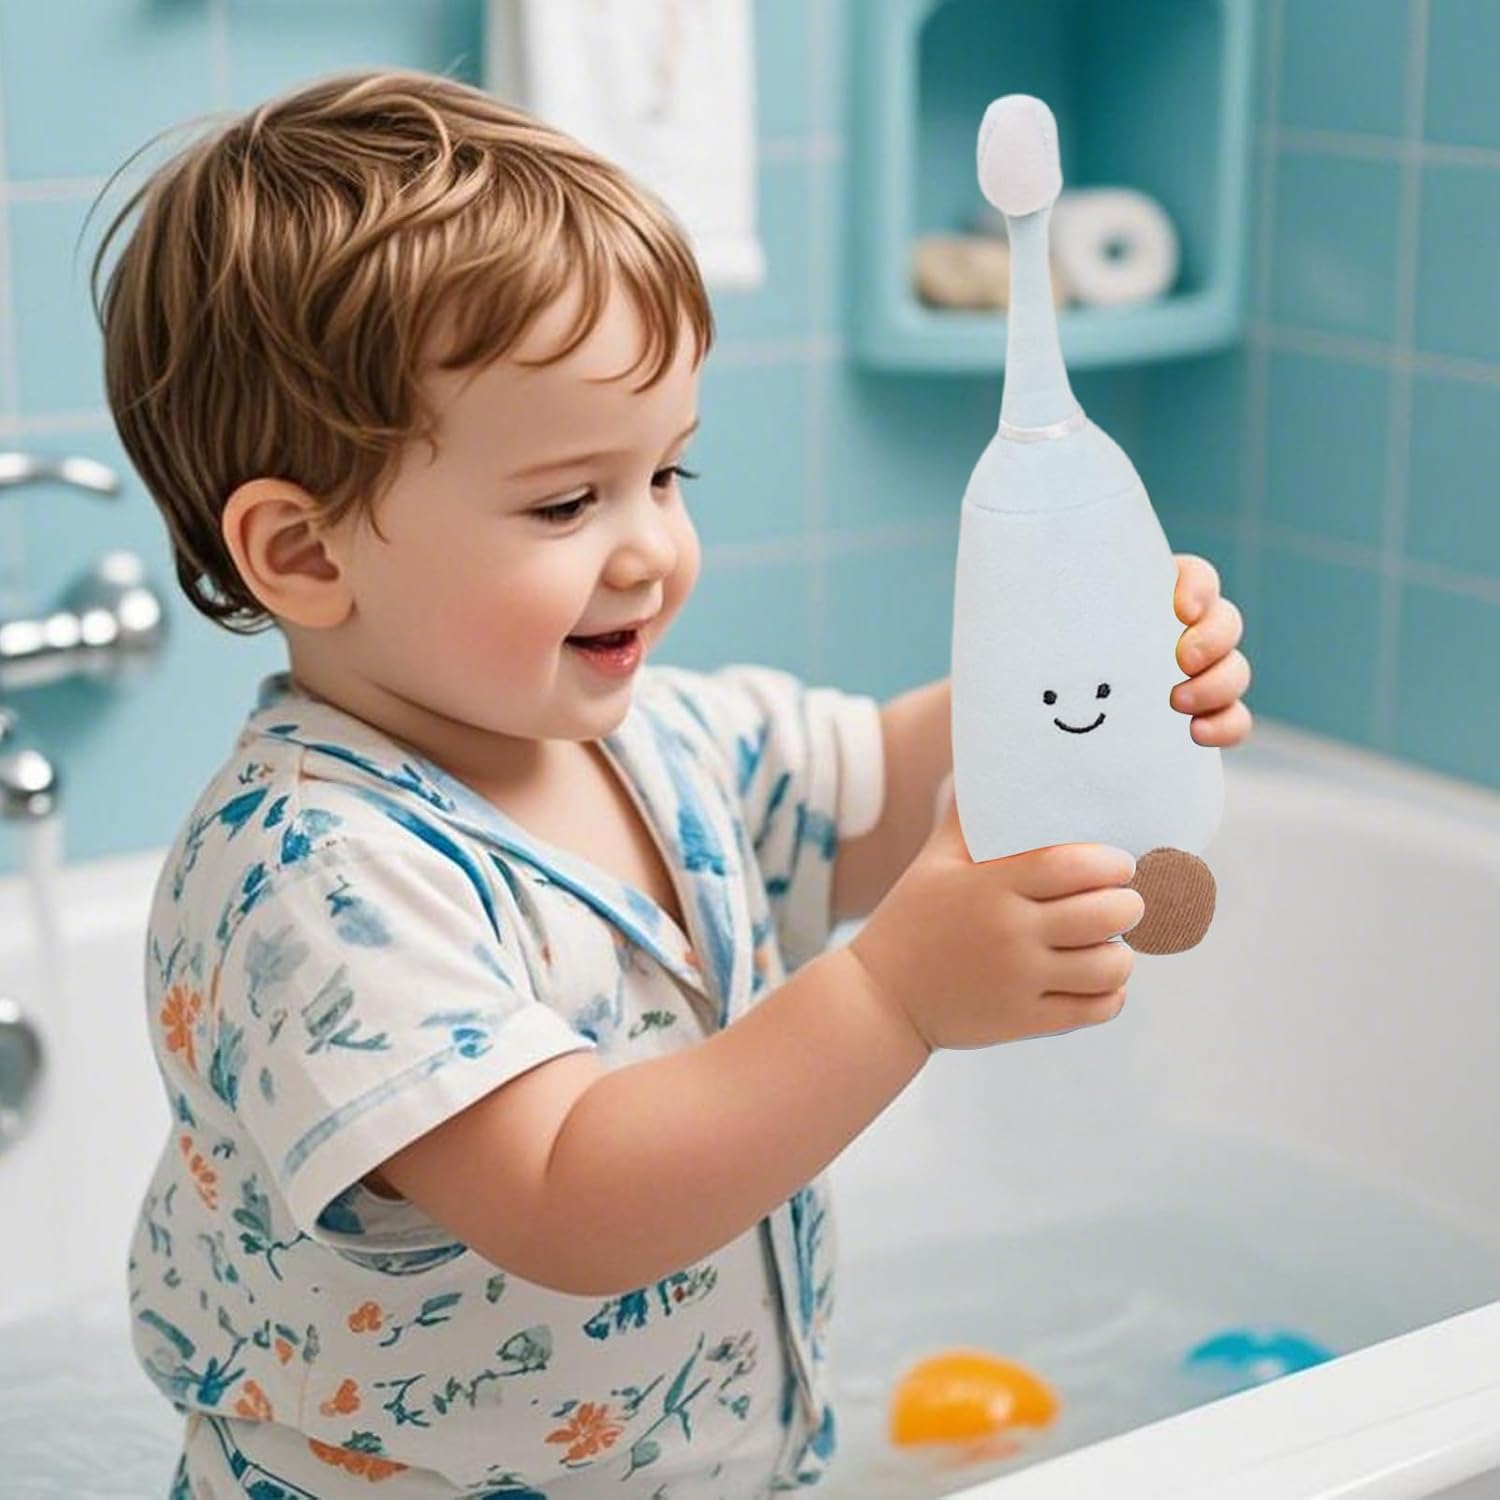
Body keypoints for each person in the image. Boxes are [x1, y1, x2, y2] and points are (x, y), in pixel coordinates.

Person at [97, 70, 1253, 1499]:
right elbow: (570, 1196)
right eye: (567, 501)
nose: (650, 548)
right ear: (306, 553)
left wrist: (1099, 684)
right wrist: (892, 998)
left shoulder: (656, 739)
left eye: (667, 476)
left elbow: (894, 784)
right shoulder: (314, 878)